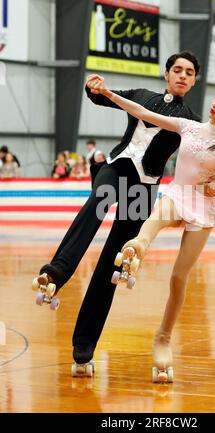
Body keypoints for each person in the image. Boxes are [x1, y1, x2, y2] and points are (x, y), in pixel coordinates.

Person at [32, 51, 202, 374]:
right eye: (177, 69)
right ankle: (55, 272)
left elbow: (201, 157)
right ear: (167, 74)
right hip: (117, 167)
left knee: (114, 259)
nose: (182, 75)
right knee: (97, 202)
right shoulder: (141, 96)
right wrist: (93, 86)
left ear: (193, 81)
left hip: (144, 186)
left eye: (189, 72)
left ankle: (83, 348)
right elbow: (101, 98)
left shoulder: (191, 122)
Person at [92, 79, 215, 381]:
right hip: (177, 194)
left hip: (203, 205)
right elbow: (142, 112)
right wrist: (109, 94)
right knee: (153, 221)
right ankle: (136, 248)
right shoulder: (188, 126)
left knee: (178, 278)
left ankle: (163, 338)